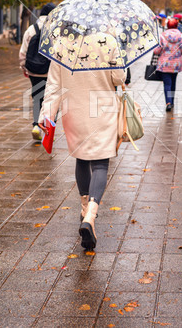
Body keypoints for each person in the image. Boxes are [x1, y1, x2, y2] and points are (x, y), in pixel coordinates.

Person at [38, 33, 126, 250]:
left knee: (81, 158)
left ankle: (84, 206)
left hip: (73, 111)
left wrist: (46, 114)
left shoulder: (61, 43)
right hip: (103, 109)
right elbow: (119, 78)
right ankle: (91, 215)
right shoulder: (110, 41)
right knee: (100, 163)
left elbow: (53, 85)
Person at [19, 3, 56, 141]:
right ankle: (49, 129)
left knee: (37, 98)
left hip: (34, 71)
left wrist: (24, 68)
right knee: (51, 100)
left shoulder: (31, 29)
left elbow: (23, 52)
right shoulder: (56, 30)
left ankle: (35, 125)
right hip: (50, 72)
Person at [154, 18, 182, 112]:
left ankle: (168, 103)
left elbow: (156, 51)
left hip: (164, 64)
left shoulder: (162, 36)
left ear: (167, 26)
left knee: (167, 83)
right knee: (173, 82)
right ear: (177, 26)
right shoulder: (181, 37)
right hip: (176, 64)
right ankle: (172, 102)